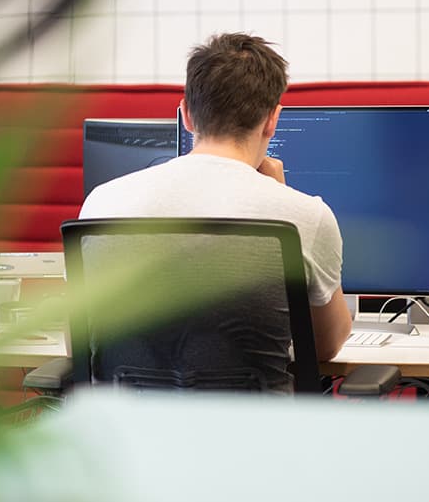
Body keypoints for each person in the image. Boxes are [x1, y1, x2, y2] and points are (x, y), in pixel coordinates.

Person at [79, 32, 351, 366]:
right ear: (272, 120)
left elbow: (78, 341)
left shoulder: (101, 204)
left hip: (128, 417)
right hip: (251, 419)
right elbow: (326, 346)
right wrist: (281, 196)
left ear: (187, 115)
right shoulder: (304, 216)